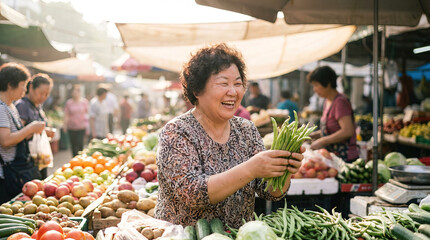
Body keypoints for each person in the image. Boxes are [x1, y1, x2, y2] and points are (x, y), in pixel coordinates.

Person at [154, 43, 304, 228]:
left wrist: (284, 169)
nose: (233, 92)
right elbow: (192, 194)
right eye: (223, 83)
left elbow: (269, 192)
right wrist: (251, 168)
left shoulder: (246, 129)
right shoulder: (177, 132)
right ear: (197, 91)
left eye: (238, 84)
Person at [0, 63, 45, 203]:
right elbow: (5, 140)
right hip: (6, 173)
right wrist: (30, 128)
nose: (25, 90)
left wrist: (33, 131)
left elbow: (17, 135)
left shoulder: (11, 106)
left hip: (15, 169)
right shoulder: (1, 109)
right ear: (9, 85)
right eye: (23, 85)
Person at [308, 66, 358, 162]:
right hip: (333, 156)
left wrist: (322, 141)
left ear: (328, 84)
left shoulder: (340, 102)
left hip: (345, 158)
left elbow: (347, 131)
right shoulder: (327, 101)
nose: (314, 89)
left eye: (316, 85)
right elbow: (330, 130)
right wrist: (311, 136)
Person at [15, 73, 53, 179]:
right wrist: (35, 130)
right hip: (27, 161)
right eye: (41, 93)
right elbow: (18, 135)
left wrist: (46, 131)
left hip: (39, 158)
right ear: (31, 87)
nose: (43, 97)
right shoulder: (22, 105)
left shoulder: (38, 106)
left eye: (47, 94)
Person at [64, 84, 89, 157]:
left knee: (80, 143)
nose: (75, 94)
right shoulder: (69, 103)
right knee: (73, 144)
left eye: (76, 92)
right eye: (73, 92)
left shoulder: (84, 102)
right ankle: (74, 158)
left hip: (81, 126)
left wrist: (88, 125)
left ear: (79, 93)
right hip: (71, 127)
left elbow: (87, 113)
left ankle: (80, 158)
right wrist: (65, 125)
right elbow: (66, 114)